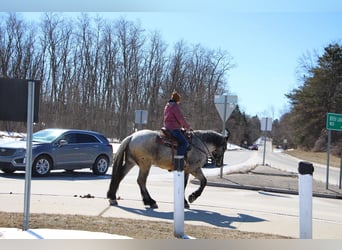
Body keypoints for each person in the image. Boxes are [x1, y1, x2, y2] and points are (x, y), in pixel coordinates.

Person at [163, 91, 192, 163]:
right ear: (177, 99)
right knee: (184, 143)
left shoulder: (167, 105)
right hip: (173, 128)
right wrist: (188, 127)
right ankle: (179, 161)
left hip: (167, 127)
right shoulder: (174, 106)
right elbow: (180, 118)